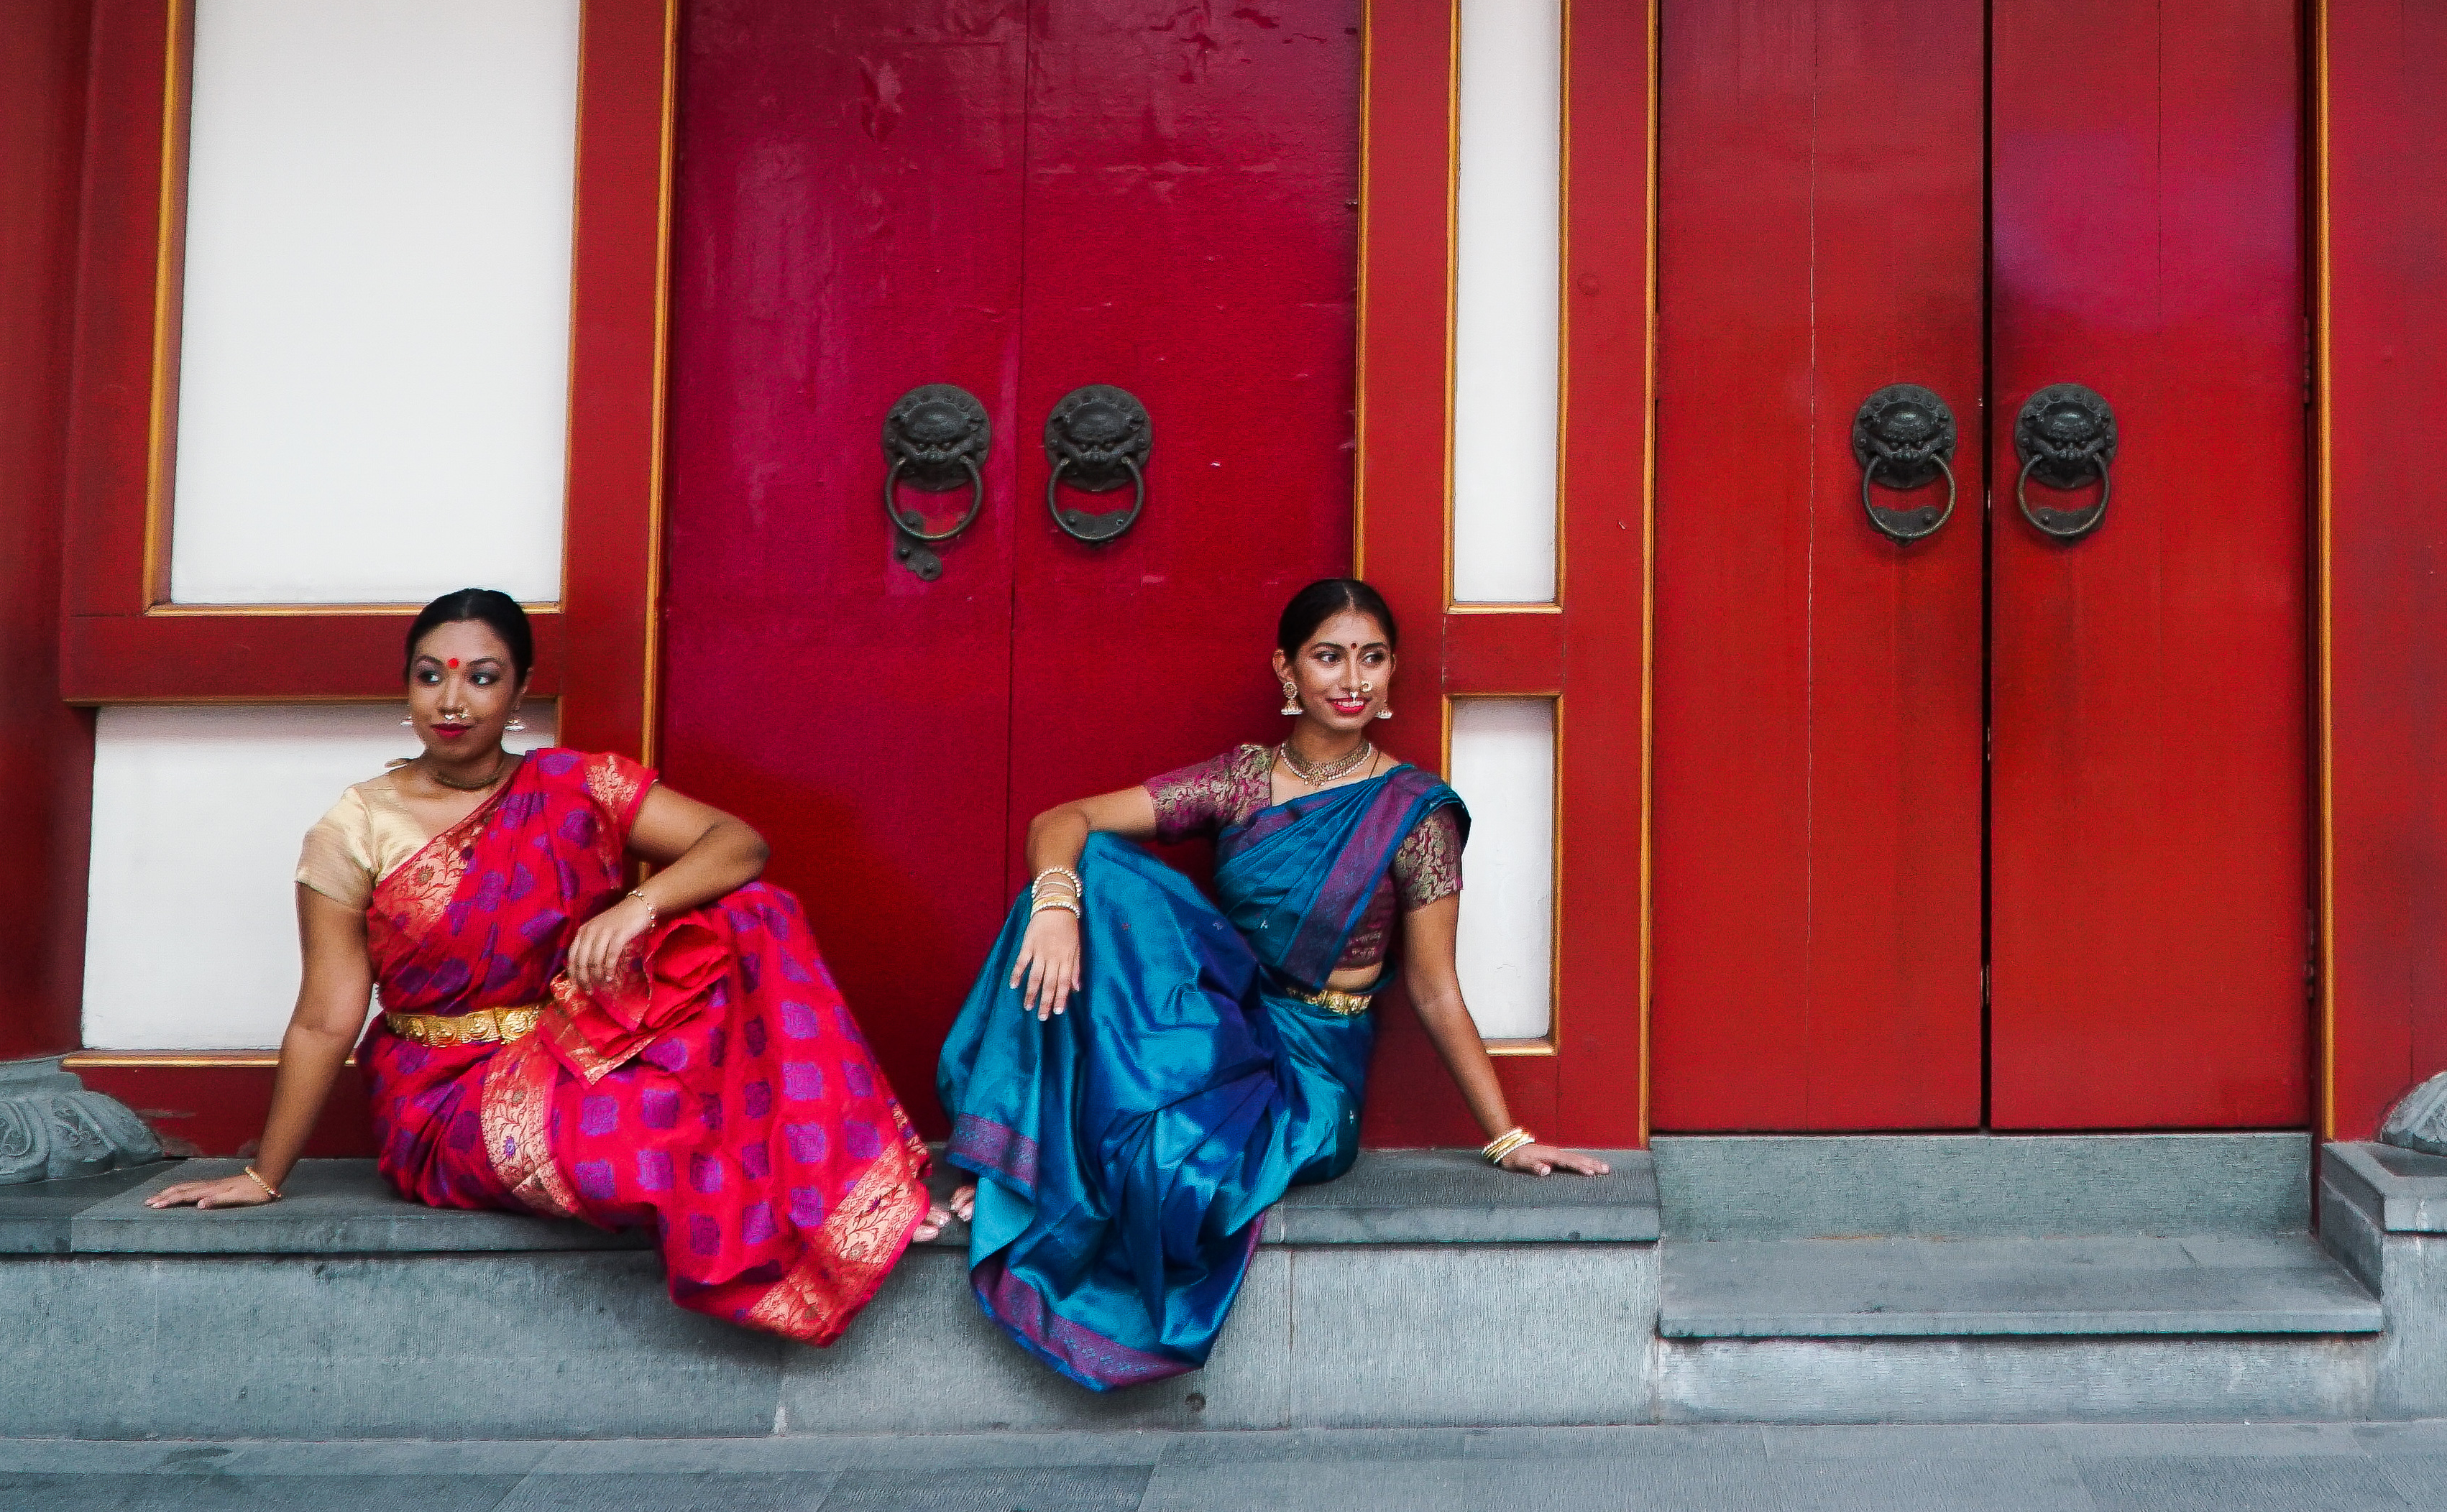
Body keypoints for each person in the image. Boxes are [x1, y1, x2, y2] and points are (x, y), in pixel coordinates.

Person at [147, 588, 950, 1343]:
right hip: (447, 1093)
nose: (451, 701)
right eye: (430, 676)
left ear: (520, 687)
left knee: (757, 913)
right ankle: (819, 1234)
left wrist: (638, 906)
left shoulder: (572, 785)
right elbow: (327, 1014)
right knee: (664, 1135)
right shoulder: (356, 827)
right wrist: (263, 1171)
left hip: (576, 1041)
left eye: (481, 677)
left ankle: (859, 1193)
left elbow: (738, 844)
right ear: (407, 688)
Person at [939, 575, 1607, 1388]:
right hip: (1222, 1024)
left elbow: (1433, 988)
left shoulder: (1412, 812)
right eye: (1329, 656)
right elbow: (1061, 820)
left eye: (1372, 657)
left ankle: (1035, 1171)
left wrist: (1507, 1134)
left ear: (1392, 672)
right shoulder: (1241, 781)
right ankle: (1014, 1154)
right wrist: (1055, 902)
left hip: (1310, 1075)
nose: (1352, 678)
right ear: (1287, 671)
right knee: (1096, 867)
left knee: (1169, 1159)